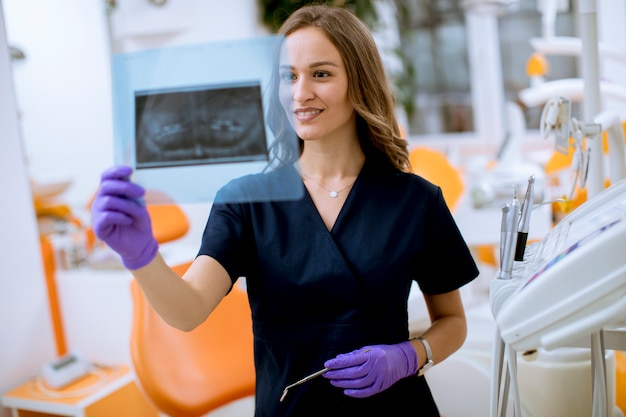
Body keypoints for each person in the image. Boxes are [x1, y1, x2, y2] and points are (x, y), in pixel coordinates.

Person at [91, 4, 479, 416]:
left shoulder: (416, 201)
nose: (300, 93)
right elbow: (187, 311)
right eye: (288, 77)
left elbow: (453, 322)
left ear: (359, 83)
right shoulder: (246, 202)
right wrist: (140, 255)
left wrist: (410, 355)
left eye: (321, 74)